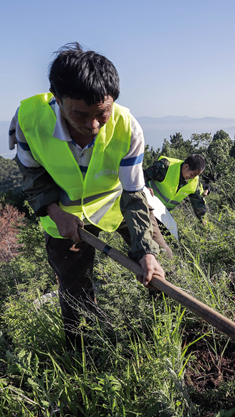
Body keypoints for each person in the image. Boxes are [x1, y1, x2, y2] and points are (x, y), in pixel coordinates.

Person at [9, 42, 169, 349]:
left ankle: (167, 328)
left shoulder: (128, 129)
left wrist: (144, 249)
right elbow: (32, 175)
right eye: (80, 114)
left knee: (159, 263)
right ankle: (85, 351)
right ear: (57, 98)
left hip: (118, 205)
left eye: (102, 114)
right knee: (74, 287)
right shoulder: (28, 121)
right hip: (64, 215)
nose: (92, 125)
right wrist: (55, 213)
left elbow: (134, 193)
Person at [144, 154, 208, 223]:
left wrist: (204, 219)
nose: (193, 177)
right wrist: (147, 187)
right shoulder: (166, 166)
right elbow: (143, 175)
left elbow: (198, 202)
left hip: (162, 216)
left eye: (196, 176)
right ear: (186, 166)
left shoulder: (194, 182)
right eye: (192, 174)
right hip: (146, 205)